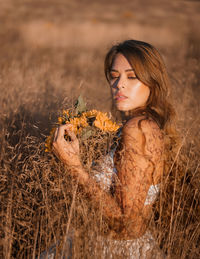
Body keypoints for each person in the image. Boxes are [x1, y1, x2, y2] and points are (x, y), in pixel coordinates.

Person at [52, 39, 177, 258]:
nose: (119, 84)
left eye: (131, 76)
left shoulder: (138, 129)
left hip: (117, 250)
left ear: (152, 82)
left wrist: (74, 168)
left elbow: (125, 222)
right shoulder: (137, 125)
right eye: (114, 75)